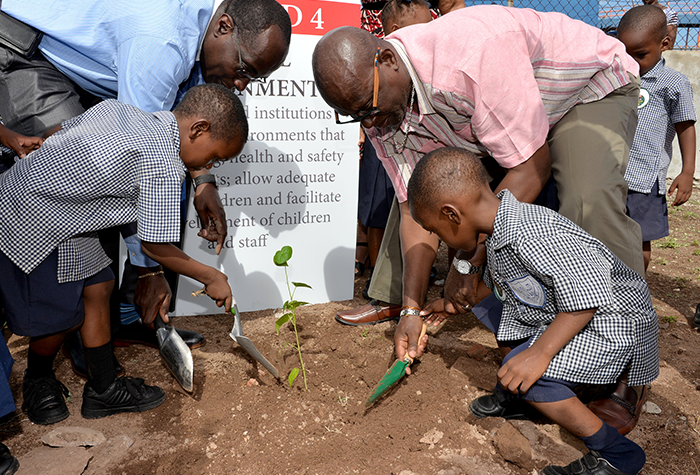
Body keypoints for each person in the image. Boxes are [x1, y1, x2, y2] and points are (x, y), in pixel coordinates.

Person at [312, 5, 645, 429]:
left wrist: (466, 261)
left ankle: (630, 366)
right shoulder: (380, 109)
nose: (370, 122)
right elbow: (415, 208)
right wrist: (411, 310)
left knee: (585, 199)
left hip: (583, 91)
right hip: (506, 121)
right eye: (356, 116)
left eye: (369, 107)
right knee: (476, 224)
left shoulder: (468, 59)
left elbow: (531, 167)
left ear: (388, 59)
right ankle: (558, 348)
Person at [0, 0, 291, 370]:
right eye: (244, 69)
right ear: (224, 27)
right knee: (92, 183)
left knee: (167, 184)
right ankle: (87, 340)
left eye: (254, 78)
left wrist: (203, 182)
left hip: (90, 70)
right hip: (27, 51)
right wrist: (150, 270)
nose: (241, 84)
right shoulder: (161, 45)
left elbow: (188, 122)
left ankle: (124, 318)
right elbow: (143, 166)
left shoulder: (204, 36)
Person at [0, 83, 247, 424]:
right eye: (215, 155)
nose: (210, 164)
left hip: (64, 212)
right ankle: (38, 380)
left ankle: (102, 390)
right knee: (58, 314)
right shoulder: (163, 166)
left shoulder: (123, 111)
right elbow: (153, 245)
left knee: (100, 285)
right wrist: (212, 276)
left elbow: (59, 130)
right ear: (198, 129)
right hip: (33, 218)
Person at [408, 147, 659, 475]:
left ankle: (616, 453)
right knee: (509, 332)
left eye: (437, 230)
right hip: (582, 312)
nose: (441, 239)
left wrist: (539, 354)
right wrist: (452, 303)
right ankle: (521, 397)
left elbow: (587, 297)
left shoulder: (532, 233)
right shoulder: (502, 228)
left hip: (613, 321)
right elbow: (508, 282)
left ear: (452, 214)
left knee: (528, 368)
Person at [617, 5, 696, 273]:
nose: (631, 60)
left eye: (639, 54)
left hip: (644, 180)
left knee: (638, 243)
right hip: (611, 174)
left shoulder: (673, 83)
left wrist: (687, 171)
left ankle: (633, 292)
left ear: (664, 44)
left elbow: (685, 127)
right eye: (624, 53)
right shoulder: (617, 77)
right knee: (606, 236)